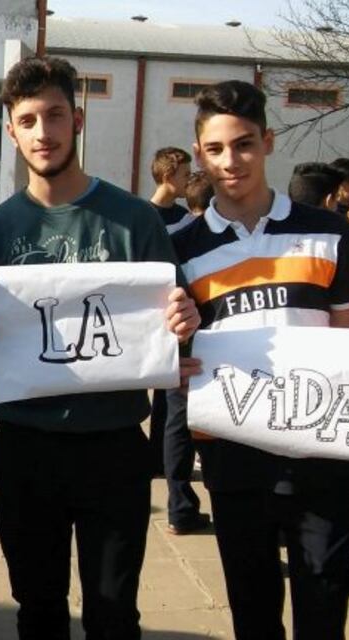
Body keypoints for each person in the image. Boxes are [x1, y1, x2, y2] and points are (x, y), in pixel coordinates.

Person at [0, 55, 200, 640]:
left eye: (55, 115)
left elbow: (170, 329)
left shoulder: (135, 220)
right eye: (28, 120)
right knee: (38, 609)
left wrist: (183, 321)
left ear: (78, 120)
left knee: (114, 614)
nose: (44, 132)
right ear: (12, 132)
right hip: (25, 447)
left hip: (113, 445)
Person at [172, 80, 349, 639]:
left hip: (322, 452)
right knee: (253, 610)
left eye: (244, 144)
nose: (231, 161)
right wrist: (174, 364)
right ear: (199, 154)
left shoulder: (329, 232)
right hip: (233, 453)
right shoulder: (182, 249)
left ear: (268, 142)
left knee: (323, 608)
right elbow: (174, 352)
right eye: (215, 149)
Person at [149, 147, 209, 533]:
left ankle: (163, 468)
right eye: (185, 174)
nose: (189, 181)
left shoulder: (185, 218)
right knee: (176, 412)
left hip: (182, 320)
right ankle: (180, 503)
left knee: (170, 407)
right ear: (169, 175)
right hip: (163, 324)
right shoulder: (146, 218)